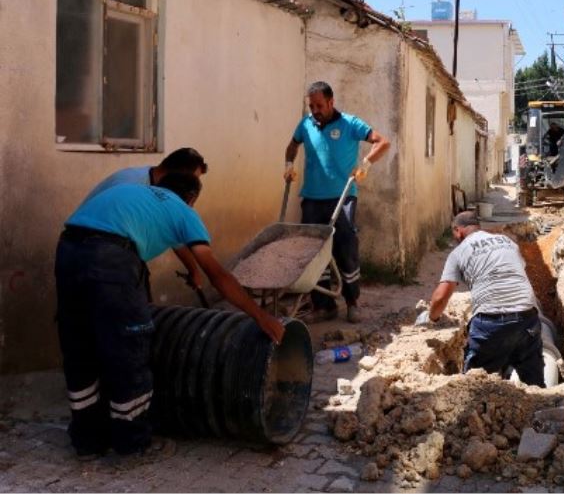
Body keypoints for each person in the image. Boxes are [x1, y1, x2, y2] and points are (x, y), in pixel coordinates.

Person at [55, 172, 284, 459]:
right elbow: (219, 276)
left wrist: (192, 271)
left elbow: (178, 244)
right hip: (111, 258)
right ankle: (133, 444)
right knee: (129, 347)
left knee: (81, 343)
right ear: (190, 199)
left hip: (68, 249)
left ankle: (87, 442)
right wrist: (260, 316)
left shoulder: (133, 192)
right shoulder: (182, 211)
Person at [283, 81, 391, 324]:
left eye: (319, 105)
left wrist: (365, 164)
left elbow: (382, 142)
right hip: (312, 197)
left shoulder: (350, 124)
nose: (315, 110)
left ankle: (352, 302)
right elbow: (292, 145)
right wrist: (289, 165)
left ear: (331, 102)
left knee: (345, 247)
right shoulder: (306, 124)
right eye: (311, 106)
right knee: (313, 253)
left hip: (342, 196)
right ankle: (323, 306)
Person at [416, 211, 545, 387]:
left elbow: (441, 296)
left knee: (474, 388)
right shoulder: (507, 241)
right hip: (528, 319)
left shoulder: (459, 252)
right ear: (477, 226)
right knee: (535, 386)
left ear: (457, 230)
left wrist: (432, 318)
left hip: (491, 324)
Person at [80, 147, 209, 292]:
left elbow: (175, 236)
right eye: (192, 180)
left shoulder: (162, 191)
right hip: (96, 251)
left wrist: (194, 271)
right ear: (177, 174)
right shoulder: (132, 182)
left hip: (115, 253)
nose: (193, 188)